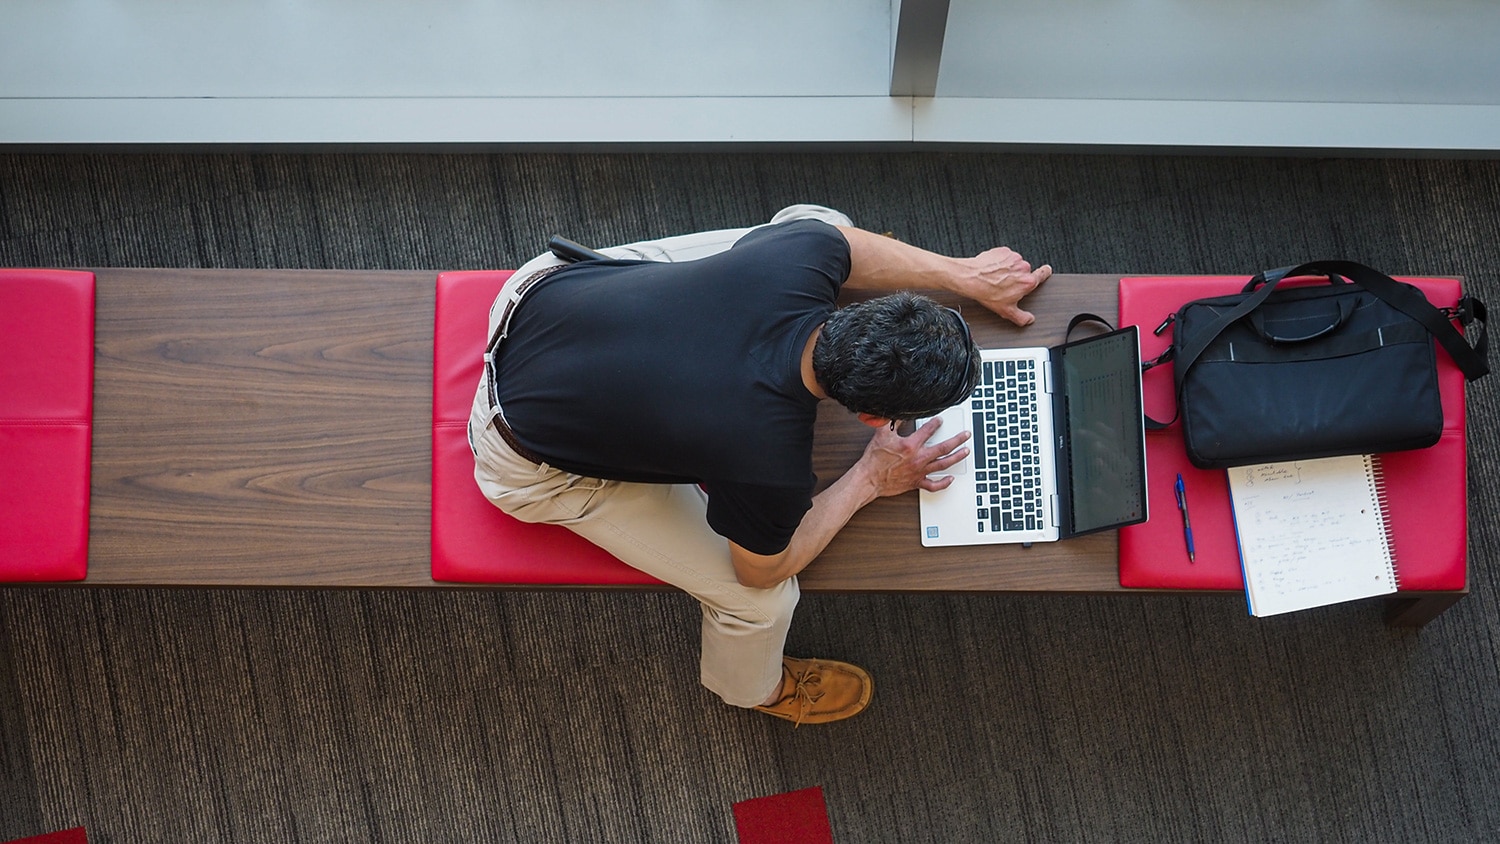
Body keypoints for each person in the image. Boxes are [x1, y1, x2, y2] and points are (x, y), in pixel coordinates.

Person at [469, 204, 1051, 726]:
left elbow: (843, 246)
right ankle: (753, 691)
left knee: (819, 219)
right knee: (763, 604)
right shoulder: (767, 467)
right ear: (875, 418)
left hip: (539, 293)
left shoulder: (801, 254)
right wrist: (869, 479)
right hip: (515, 453)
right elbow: (761, 570)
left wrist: (961, 275)